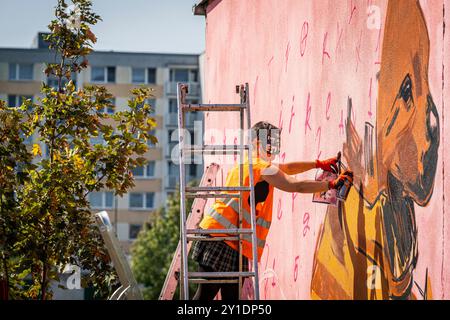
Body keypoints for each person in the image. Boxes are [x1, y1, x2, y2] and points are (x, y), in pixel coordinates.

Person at [191, 121, 353, 300]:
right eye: (272, 144)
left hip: (229, 239)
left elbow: (288, 169)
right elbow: (294, 185)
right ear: (258, 143)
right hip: (222, 238)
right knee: (205, 298)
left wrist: (318, 164)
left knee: (227, 299)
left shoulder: (250, 164)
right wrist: (331, 184)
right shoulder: (260, 167)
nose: (274, 149)